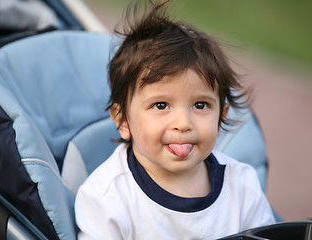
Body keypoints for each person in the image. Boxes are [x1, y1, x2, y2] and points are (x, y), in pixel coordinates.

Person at [75, 0, 275, 239]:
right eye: (161, 105)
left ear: (221, 115)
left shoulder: (241, 185)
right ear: (123, 121)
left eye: (200, 105)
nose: (183, 123)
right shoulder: (107, 198)